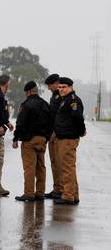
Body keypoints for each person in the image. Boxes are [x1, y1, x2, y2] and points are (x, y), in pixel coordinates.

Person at [12, 81, 51, 202]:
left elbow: (21, 123)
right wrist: (46, 137)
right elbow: (51, 123)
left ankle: (29, 193)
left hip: (29, 140)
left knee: (29, 167)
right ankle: (40, 192)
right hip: (42, 139)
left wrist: (15, 138)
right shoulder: (45, 104)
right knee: (41, 167)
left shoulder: (26, 104)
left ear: (28, 91)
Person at [53, 77, 86, 205]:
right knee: (68, 168)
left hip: (68, 138)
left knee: (67, 168)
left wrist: (81, 131)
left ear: (71, 87)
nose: (61, 89)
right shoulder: (65, 100)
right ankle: (74, 194)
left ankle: (68, 196)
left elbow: (78, 117)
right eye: (59, 87)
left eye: (64, 87)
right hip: (63, 138)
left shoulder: (73, 101)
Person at [44, 74, 63, 199]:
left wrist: (55, 131)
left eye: (50, 85)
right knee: (53, 162)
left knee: (59, 163)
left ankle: (62, 189)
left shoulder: (60, 96)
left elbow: (59, 116)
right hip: (51, 134)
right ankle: (56, 188)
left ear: (56, 83)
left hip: (57, 134)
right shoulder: (54, 96)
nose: (49, 88)